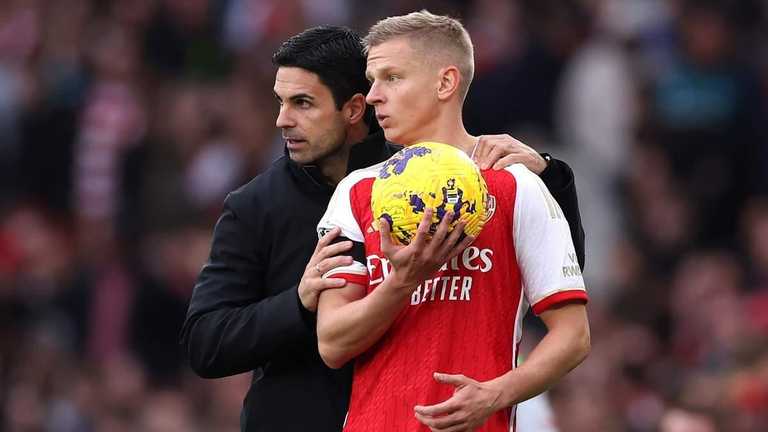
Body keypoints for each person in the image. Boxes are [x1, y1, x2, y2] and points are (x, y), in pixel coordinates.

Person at [180, 26, 585, 432]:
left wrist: (550, 178)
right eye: (281, 102)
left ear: (353, 110)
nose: (282, 120)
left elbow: (553, 281)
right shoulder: (262, 205)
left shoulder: (449, 181)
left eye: (302, 103)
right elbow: (207, 341)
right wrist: (299, 303)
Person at [316, 11, 590, 432]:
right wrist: (402, 281)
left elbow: (573, 336)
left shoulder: (515, 185)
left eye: (391, 77)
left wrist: (497, 394)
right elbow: (332, 343)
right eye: (372, 80)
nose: (372, 96)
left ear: (445, 82)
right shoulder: (355, 191)